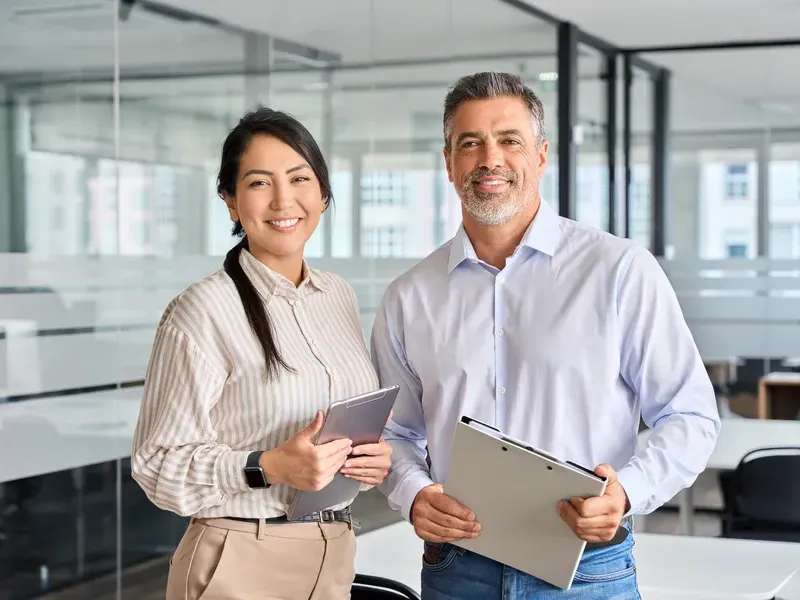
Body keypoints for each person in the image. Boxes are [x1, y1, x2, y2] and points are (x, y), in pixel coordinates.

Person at [371, 72, 721, 599]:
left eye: (509, 140)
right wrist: (413, 492)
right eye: (470, 143)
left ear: (540, 155)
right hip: (457, 571)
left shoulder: (619, 270)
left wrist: (627, 492)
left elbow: (689, 414)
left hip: (587, 570)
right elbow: (394, 433)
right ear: (448, 162)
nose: (490, 158)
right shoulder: (409, 296)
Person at [131, 108, 392, 600]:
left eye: (299, 179)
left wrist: (370, 462)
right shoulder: (202, 310)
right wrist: (266, 466)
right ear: (230, 202)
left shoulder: (338, 295)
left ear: (323, 194)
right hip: (239, 558)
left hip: (333, 549)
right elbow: (156, 465)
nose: (283, 199)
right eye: (258, 183)